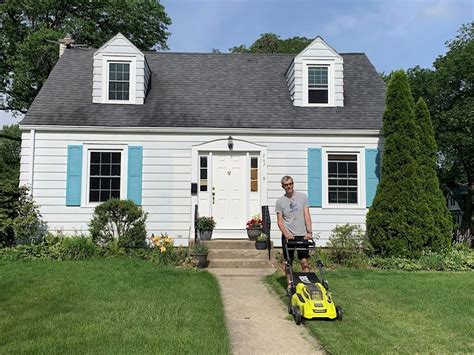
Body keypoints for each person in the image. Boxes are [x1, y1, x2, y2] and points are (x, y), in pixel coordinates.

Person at [275, 175, 313, 293]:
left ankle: (307, 285)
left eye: (290, 184)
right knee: (288, 262)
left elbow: (307, 216)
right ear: (283, 187)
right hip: (288, 236)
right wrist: (286, 234)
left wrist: (309, 232)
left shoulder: (303, 197)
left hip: (302, 234)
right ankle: (290, 285)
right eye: (286, 185)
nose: (289, 186)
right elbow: (280, 222)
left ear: (293, 184)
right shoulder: (280, 202)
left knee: (304, 261)